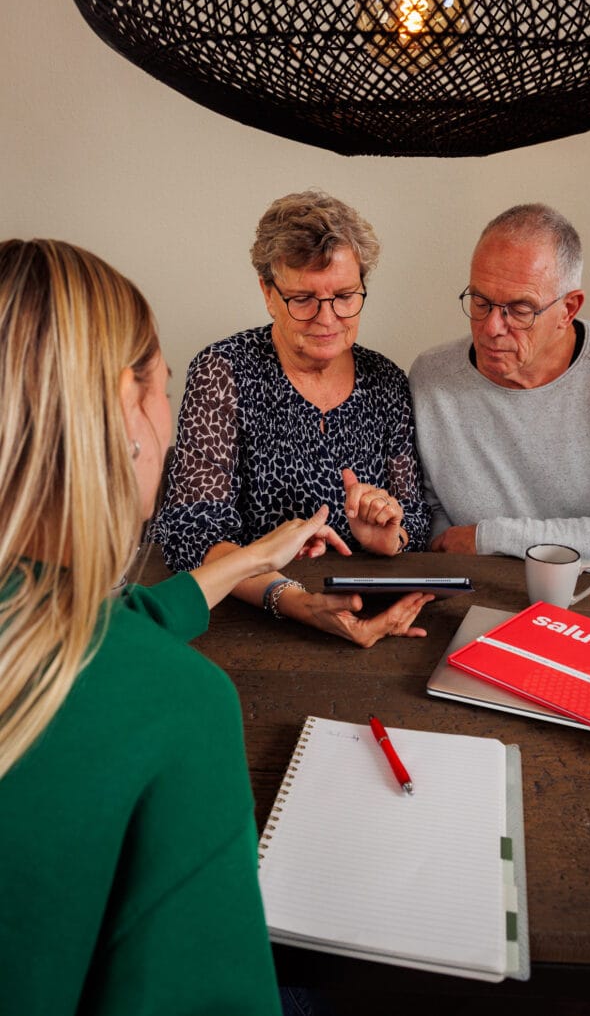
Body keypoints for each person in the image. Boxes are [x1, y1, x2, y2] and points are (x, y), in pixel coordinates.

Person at [0, 238, 356, 1015]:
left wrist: (255, 559)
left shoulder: (39, 620)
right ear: (122, 414)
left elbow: (102, 626)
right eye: (160, 389)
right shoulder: (181, 705)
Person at [150, 189, 432, 643]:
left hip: (368, 610)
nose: (327, 318)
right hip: (249, 622)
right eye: (303, 298)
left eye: (345, 296)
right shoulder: (223, 371)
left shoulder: (386, 381)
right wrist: (296, 601)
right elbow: (192, 532)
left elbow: (414, 517)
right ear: (268, 292)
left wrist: (387, 537)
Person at [408, 203, 590, 577]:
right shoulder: (431, 376)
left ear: (568, 310)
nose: (491, 327)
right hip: (493, 591)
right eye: (480, 301)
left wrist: (492, 537)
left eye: (520, 309)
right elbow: (436, 527)